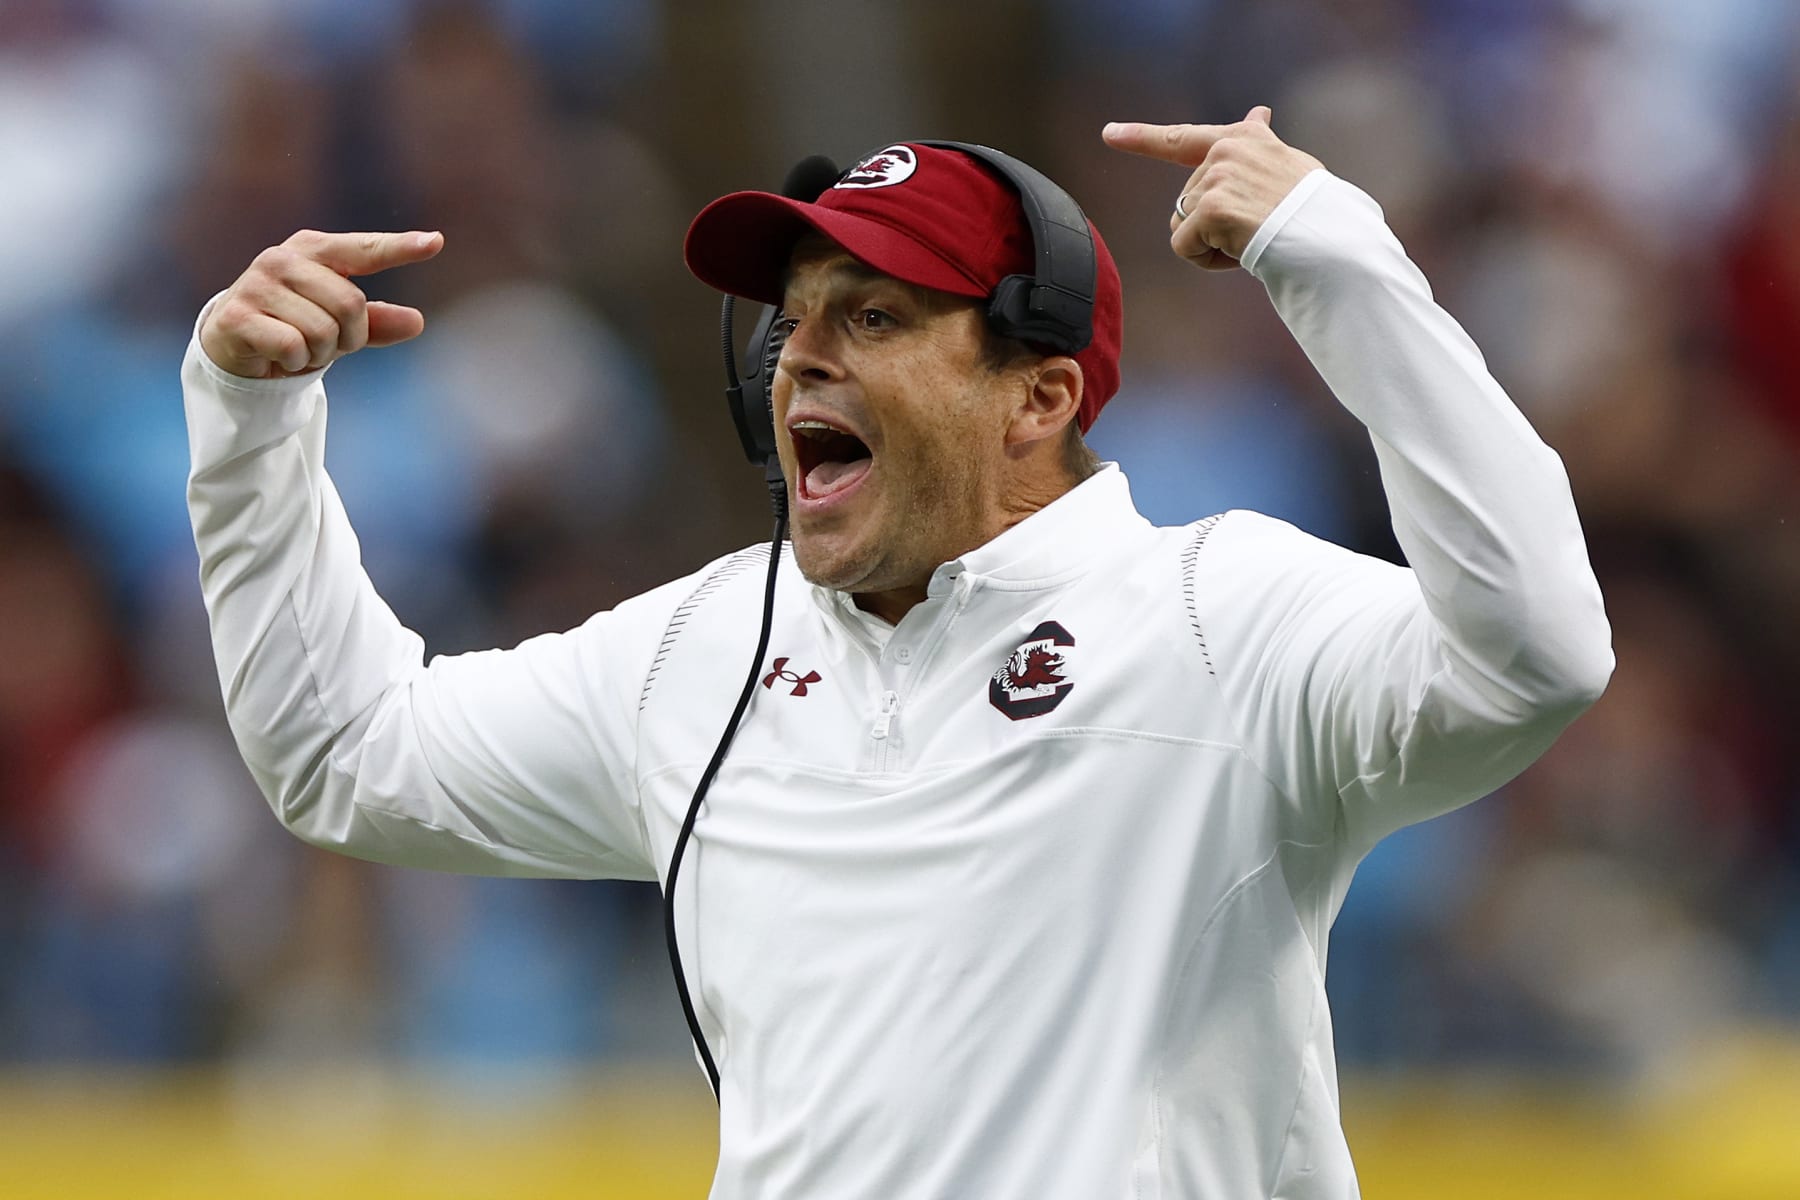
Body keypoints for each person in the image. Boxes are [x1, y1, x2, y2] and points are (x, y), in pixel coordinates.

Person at [182, 109, 1613, 1198]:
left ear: (1039, 396)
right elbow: (346, 755)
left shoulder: (1218, 613)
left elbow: (1536, 653)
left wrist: (1335, 259)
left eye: (874, 316)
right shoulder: (698, 648)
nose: (799, 358)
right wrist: (250, 425)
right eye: (793, 319)